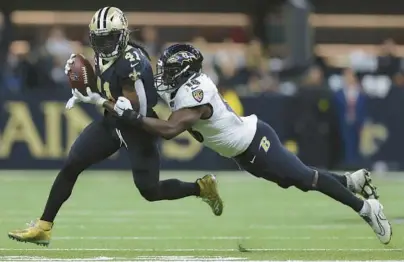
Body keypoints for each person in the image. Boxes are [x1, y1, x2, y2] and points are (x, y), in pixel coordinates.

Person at [107, 43, 390, 244]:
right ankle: (350, 181)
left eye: (169, 71)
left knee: (308, 179)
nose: (163, 76)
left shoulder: (195, 94)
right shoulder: (183, 86)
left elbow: (169, 130)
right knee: (294, 180)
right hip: (245, 152)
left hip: (256, 143)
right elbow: (148, 86)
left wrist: (130, 116)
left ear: (184, 73)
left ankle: (366, 209)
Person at [8, 8, 223, 247]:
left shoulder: (133, 62)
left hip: (139, 128)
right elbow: (110, 90)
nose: (106, 44)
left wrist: (98, 100)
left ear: (122, 35)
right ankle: (43, 227)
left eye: (110, 37)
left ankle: (201, 188)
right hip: (113, 123)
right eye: (100, 39)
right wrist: (86, 84)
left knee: (150, 191)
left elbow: (137, 112)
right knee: (72, 164)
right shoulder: (101, 55)